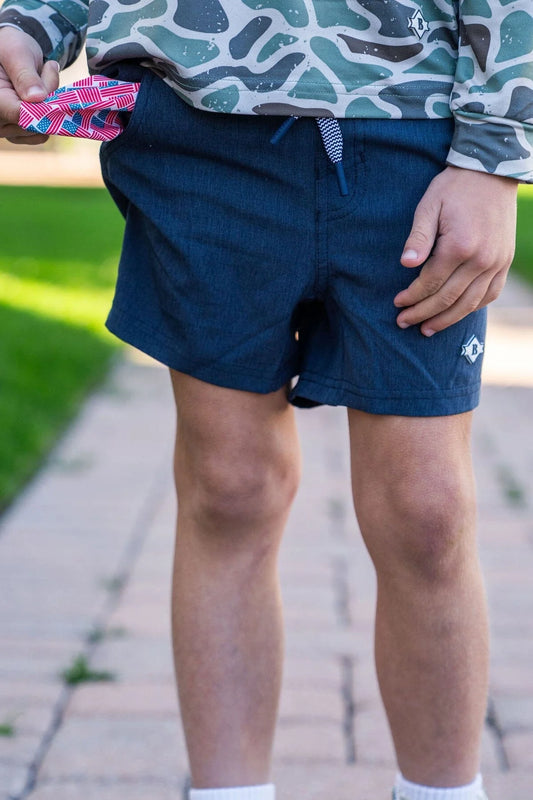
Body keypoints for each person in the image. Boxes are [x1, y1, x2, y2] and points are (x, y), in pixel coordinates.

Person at [0, 2, 530, 799]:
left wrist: (493, 156)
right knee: (229, 490)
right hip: (194, 127)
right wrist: (28, 27)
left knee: (426, 511)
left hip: (413, 127)